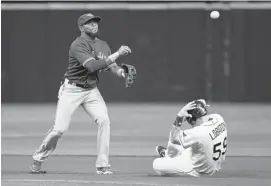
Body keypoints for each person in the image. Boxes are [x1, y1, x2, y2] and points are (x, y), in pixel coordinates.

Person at [30, 13, 132, 175]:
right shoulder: (77, 45)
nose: (94, 25)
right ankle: (38, 157)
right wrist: (118, 53)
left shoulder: (102, 44)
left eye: (95, 22)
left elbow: (108, 64)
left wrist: (120, 72)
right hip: (71, 90)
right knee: (59, 130)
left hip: (91, 91)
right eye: (89, 23)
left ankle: (102, 165)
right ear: (81, 28)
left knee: (104, 121)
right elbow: (92, 66)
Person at [153, 99, 227, 177]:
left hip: (199, 170)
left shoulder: (198, 132)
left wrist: (180, 116)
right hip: (215, 164)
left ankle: (168, 158)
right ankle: (168, 154)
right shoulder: (218, 118)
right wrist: (200, 105)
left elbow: (173, 138)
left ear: (192, 120)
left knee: (156, 163)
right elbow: (202, 105)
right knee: (188, 143)